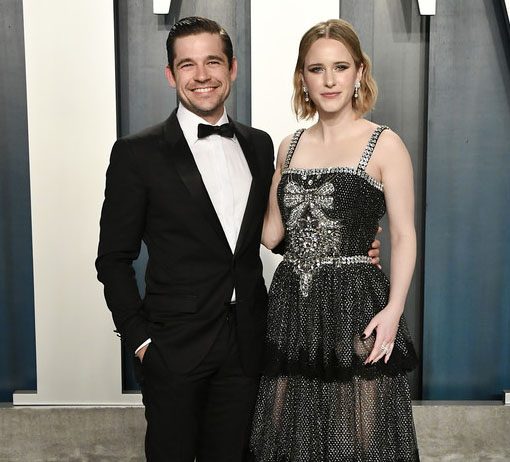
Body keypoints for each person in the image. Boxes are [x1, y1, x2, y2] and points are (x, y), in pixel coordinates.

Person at [96, 16, 380, 462]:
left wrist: (344, 246)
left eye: (213, 61)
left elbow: (272, 232)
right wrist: (141, 341)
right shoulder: (137, 153)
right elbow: (112, 259)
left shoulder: (259, 144)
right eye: (187, 65)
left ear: (232, 68)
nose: (202, 75)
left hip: (249, 345)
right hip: (173, 348)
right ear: (171, 74)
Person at [250, 19, 419, 461]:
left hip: (356, 303)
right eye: (316, 69)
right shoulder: (288, 146)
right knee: (287, 435)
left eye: (340, 67)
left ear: (359, 72)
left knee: (360, 437)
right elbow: (271, 234)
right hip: (293, 304)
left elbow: (403, 235)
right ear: (302, 77)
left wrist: (394, 310)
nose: (329, 80)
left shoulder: (385, 144)